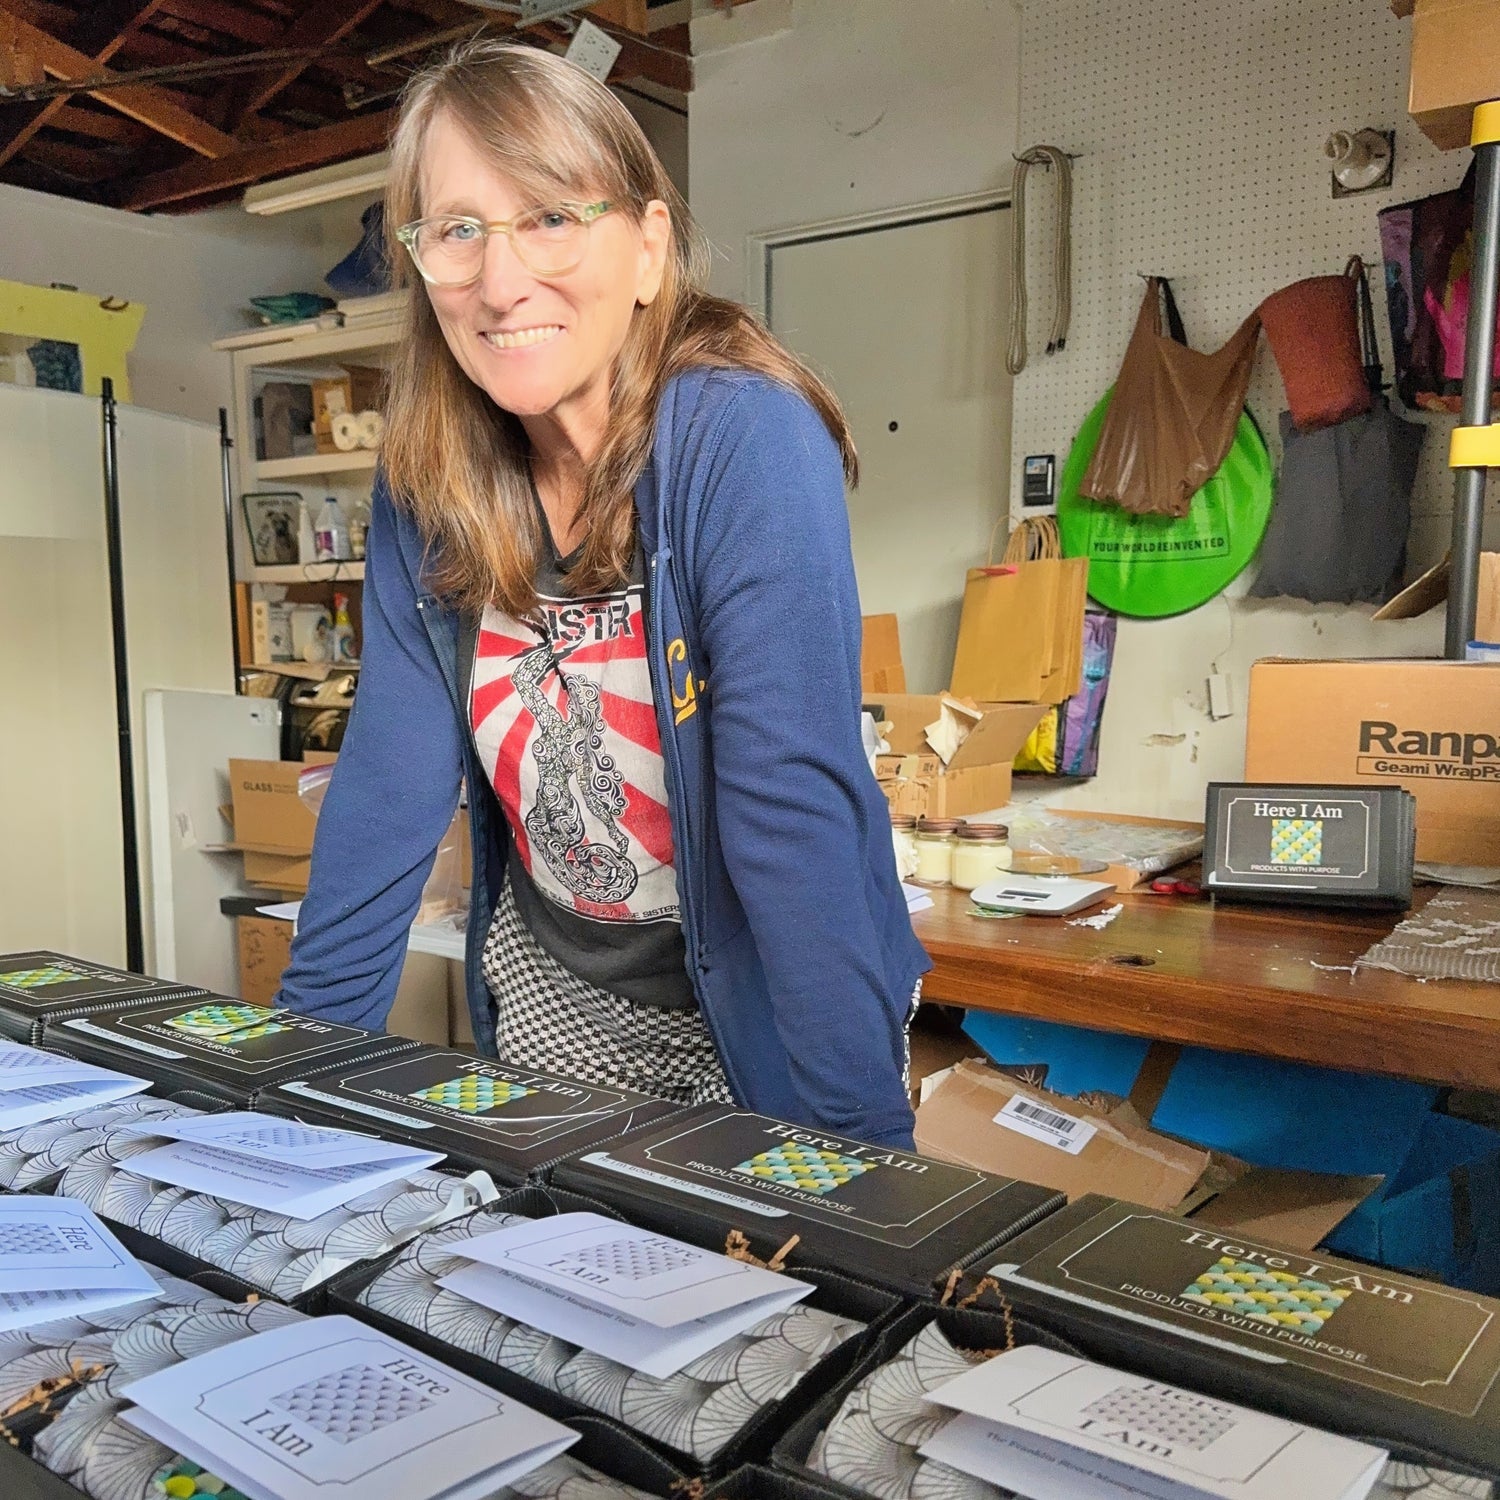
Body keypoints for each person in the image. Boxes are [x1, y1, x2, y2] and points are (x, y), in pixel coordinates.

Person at [275, 40, 927, 1149]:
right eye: (457, 229)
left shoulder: (743, 441)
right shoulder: (424, 484)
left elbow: (792, 812)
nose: (501, 277)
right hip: (551, 997)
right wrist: (281, 1104)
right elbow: (387, 789)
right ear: (423, 263)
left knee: (792, 1301)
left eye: (552, 218)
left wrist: (867, 1171)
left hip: (766, 1010)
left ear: (647, 248)